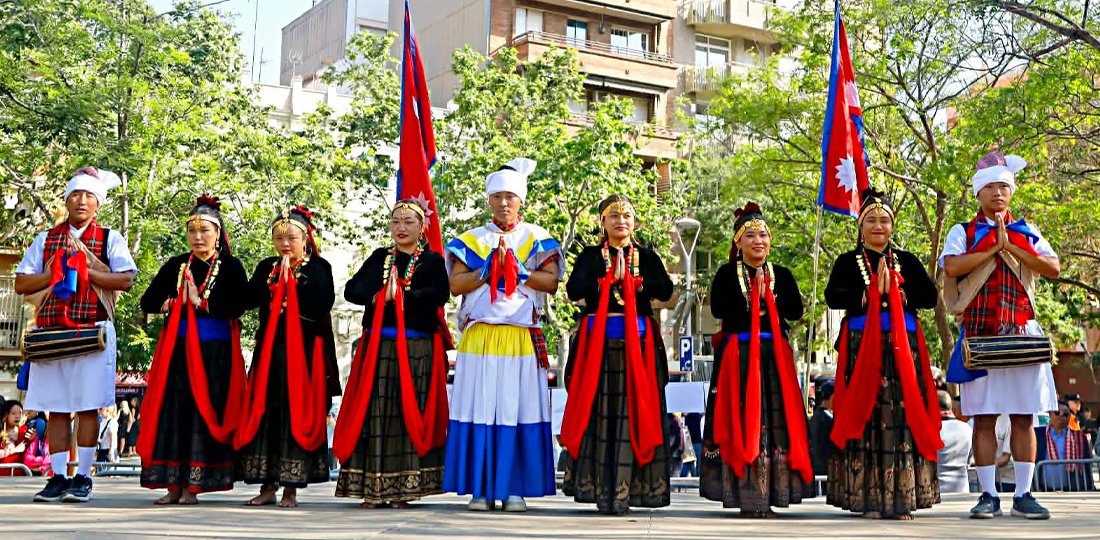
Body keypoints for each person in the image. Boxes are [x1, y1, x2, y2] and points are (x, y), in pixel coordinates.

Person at [941, 151, 1060, 520]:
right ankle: (989, 495)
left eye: (1003, 186)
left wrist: (1012, 245)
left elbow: (1053, 267)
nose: (998, 193)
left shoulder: (1027, 230)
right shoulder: (963, 231)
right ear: (978, 193)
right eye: (990, 186)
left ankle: (1023, 494)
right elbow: (951, 266)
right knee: (984, 417)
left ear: (1011, 192)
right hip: (980, 333)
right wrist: (992, 247)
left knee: (1025, 416)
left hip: (1022, 332)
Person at [443, 158, 562, 512]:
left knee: (518, 408)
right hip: (480, 336)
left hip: (520, 336)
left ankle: (514, 488)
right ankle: (480, 488)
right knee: (480, 407)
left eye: (510, 196)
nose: (504, 203)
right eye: (497, 196)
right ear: (489, 200)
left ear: (521, 200)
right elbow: (455, 284)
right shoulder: (471, 240)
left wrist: (519, 271)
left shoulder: (537, 239)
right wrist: (487, 269)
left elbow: (552, 282)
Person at [14, 166, 137, 502]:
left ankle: (82, 475)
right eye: (76, 195)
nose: (82, 201)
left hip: (92, 329)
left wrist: (88, 268)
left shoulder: (110, 238)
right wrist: (54, 272)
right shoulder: (46, 239)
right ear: (66, 200)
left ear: (98, 203)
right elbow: (22, 283)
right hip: (51, 330)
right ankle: (56, 477)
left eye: (88, 196)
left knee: (87, 406)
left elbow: (126, 279)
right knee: (53, 407)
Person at [826, 188, 942, 520]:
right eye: (871, 220)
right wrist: (866, 294)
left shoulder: (907, 260)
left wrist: (900, 293)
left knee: (903, 416)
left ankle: (903, 499)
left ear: (893, 226)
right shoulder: (848, 262)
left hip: (903, 348)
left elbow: (930, 297)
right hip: (862, 344)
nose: (879, 226)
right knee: (867, 413)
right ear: (861, 227)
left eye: (885, 220)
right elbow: (833, 296)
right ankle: (869, 500)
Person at [559, 195, 674, 514]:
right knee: (598, 415)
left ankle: (634, 490)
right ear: (602, 222)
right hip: (599, 349)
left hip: (639, 347)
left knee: (638, 413)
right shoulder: (591, 255)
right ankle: (597, 487)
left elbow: (665, 290)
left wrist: (638, 285)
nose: (620, 221)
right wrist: (606, 281)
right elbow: (573, 290)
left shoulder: (648, 256)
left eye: (626, 215)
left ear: (634, 222)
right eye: (613, 216)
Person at [333, 200, 451, 508]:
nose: (401, 227)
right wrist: (379, 296)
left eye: (409, 221)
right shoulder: (380, 258)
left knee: (406, 414)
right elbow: (352, 291)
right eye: (396, 221)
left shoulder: (433, 261)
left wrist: (403, 297)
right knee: (374, 413)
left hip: (416, 348)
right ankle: (372, 489)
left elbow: (439, 295)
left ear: (422, 227)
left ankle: (404, 490)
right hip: (378, 347)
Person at [700, 202, 814, 518]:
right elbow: (720, 310)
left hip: (773, 357)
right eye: (750, 236)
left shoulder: (782, 275)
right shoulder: (726, 274)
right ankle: (743, 494)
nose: (758, 241)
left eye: (763, 235)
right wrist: (752, 298)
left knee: (775, 425)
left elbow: (795, 311)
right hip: (738, 356)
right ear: (738, 242)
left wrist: (770, 298)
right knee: (740, 420)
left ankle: (773, 493)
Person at [136, 196, 249, 504]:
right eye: (192, 232)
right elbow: (147, 301)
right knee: (175, 414)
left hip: (215, 355)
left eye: (205, 231)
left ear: (218, 233)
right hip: (178, 352)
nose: (198, 237)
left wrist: (202, 303)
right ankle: (173, 485)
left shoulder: (231, 267)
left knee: (202, 414)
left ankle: (194, 486)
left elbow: (240, 304)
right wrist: (174, 303)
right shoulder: (177, 265)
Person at [235, 206, 339, 508]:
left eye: (291, 238)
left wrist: (293, 285)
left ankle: (292, 488)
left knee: (296, 414)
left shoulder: (318, 268)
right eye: (279, 238)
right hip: (270, 351)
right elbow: (247, 299)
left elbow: (322, 303)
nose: (285, 244)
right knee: (266, 414)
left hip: (304, 354)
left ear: (305, 239)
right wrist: (270, 286)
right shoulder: (267, 265)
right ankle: (267, 487)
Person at [1035, 402, 1094, 492]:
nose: (1061, 416)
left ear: (1070, 417)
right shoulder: (1038, 434)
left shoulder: (1079, 437)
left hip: (1070, 492)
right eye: (1057, 412)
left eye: (1065, 414)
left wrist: (1089, 487)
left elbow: (1086, 466)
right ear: (1050, 414)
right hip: (1043, 491)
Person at [938, 391, 973, 494]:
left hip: (938, 490)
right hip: (962, 488)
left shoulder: (932, 430)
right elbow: (970, 459)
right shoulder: (967, 428)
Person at [809, 378, 835, 477]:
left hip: (815, 468)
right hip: (824, 470)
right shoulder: (828, 419)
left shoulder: (815, 417)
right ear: (832, 396)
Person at [1, 400, 32, 476]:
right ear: (6, 415)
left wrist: (32, 440)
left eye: (20, 413)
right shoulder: (1, 431)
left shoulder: (25, 431)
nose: (17, 416)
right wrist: (15, 450)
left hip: (20, 479)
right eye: (13, 413)